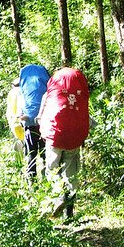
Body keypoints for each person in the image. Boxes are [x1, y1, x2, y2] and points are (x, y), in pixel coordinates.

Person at [37, 67, 91, 220]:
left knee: (52, 169)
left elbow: (41, 116)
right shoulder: (80, 96)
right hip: (74, 137)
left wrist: (43, 130)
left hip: (54, 135)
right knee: (70, 173)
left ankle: (58, 197)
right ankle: (69, 214)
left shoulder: (50, 95)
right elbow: (86, 115)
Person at [18, 64, 50, 180]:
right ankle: (48, 178)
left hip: (29, 122)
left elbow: (21, 102)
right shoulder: (46, 81)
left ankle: (32, 181)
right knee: (45, 152)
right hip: (43, 121)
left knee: (31, 152)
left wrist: (22, 118)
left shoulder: (23, 85)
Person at [6, 77, 25, 156]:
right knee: (24, 141)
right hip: (22, 119)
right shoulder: (24, 91)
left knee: (17, 141)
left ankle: (19, 162)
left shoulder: (11, 92)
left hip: (13, 120)